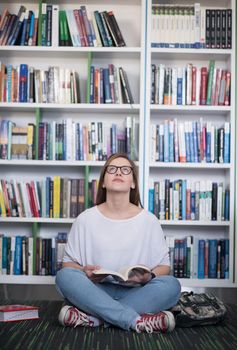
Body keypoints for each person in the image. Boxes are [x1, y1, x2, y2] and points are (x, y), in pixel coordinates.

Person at [56, 153, 181, 333]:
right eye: (112, 169)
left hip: (136, 292)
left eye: (125, 170)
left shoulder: (149, 220)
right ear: (104, 182)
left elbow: (164, 266)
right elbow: (68, 263)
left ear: (133, 182)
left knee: (171, 285)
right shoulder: (85, 219)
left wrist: (148, 277)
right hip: (95, 291)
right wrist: (84, 271)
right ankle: (134, 320)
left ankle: (94, 318)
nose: (118, 173)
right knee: (64, 276)